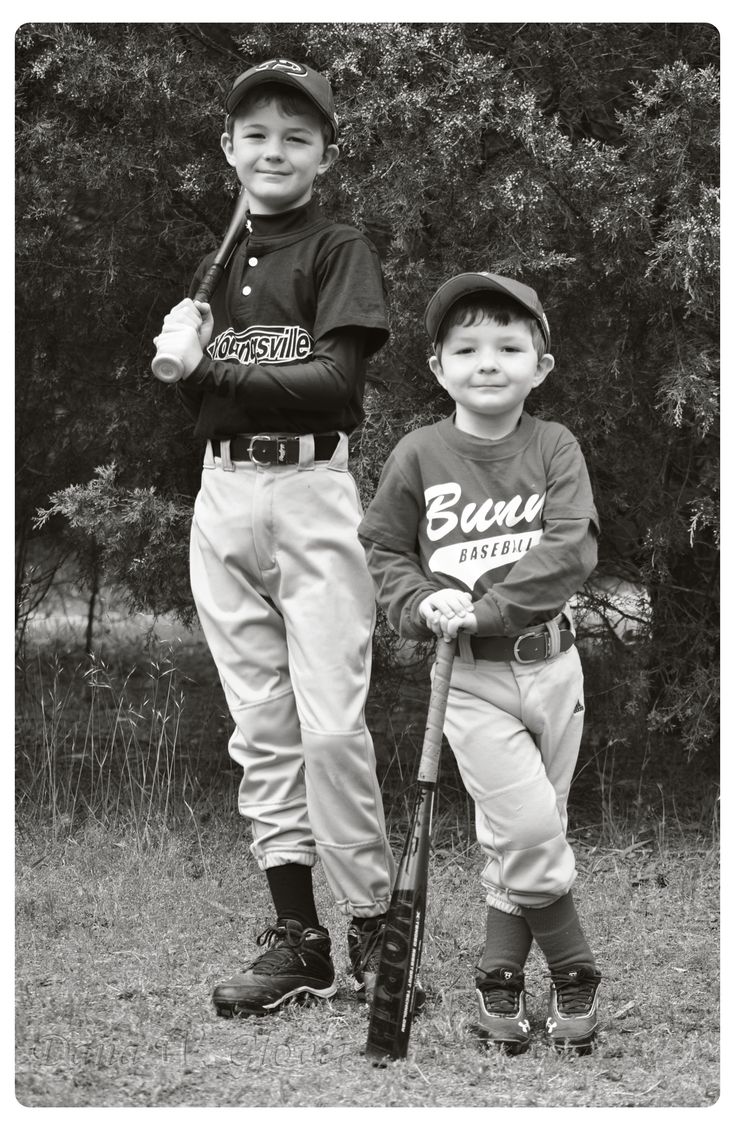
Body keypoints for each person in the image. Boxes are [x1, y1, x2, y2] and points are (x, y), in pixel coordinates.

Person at [152, 58, 397, 1017]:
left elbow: (337, 387)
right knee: (261, 729)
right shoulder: (217, 270)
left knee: (330, 723)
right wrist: (196, 343)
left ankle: (374, 921)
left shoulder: (337, 249)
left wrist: (209, 366)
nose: (274, 150)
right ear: (229, 150)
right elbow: (212, 396)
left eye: (296, 136)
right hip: (223, 498)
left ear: (323, 156)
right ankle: (299, 939)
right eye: (255, 134)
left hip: (310, 488)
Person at [358, 271, 602, 1053]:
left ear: (541, 365)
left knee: (521, 832)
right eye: (466, 347)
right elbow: (384, 549)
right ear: (437, 367)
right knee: (528, 824)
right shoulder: (420, 453)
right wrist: (417, 600)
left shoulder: (553, 445)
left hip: (552, 664)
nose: (487, 361)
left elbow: (570, 547)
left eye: (507, 345)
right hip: (463, 679)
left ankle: (498, 980)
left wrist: (491, 606)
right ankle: (573, 968)